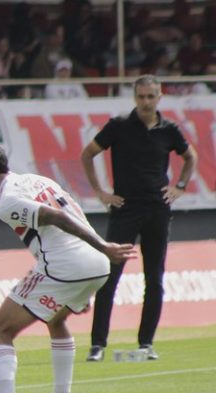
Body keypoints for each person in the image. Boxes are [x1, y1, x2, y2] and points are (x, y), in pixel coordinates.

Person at [0, 143, 136, 393]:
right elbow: (73, 213)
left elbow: (57, 217)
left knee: (0, 330)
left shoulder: (7, 202)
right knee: (56, 320)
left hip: (69, 263)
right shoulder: (37, 180)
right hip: (95, 266)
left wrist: (104, 247)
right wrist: (94, 263)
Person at [81, 75, 197, 362]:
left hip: (158, 209)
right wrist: (100, 192)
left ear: (160, 97)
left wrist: (180, 187)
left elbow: (190, 157)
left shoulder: (169, 130)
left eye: (151, 96)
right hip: (126, 208)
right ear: (135, 97)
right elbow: (88, 154)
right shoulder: (119, 126)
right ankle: (98, 344)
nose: (145, 102)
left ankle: (146, 343)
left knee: (154, 278)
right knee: (110, 277)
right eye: (141, 96)